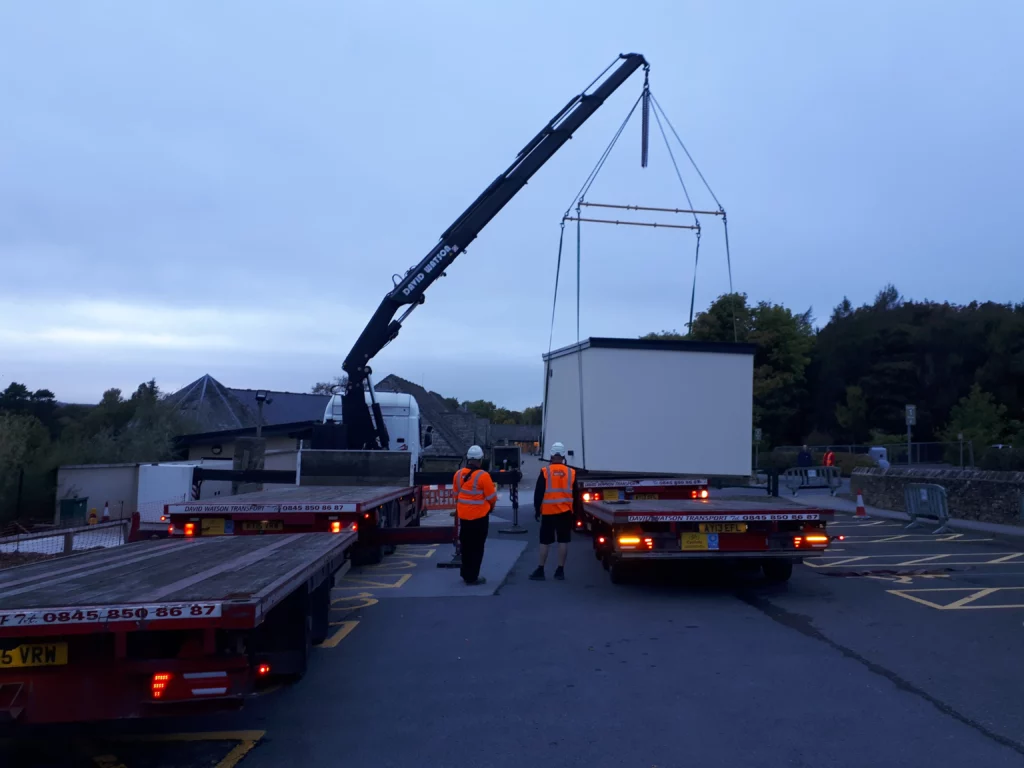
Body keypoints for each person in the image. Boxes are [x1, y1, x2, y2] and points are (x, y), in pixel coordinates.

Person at [530, 442, 576, 581]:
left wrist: (537, 510)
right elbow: (576, 494)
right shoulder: (571, 472)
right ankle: (560, 571)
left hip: (548, 512)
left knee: (545, 541)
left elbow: (538, 493)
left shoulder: (545, 471)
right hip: (565, 511)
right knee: (563, 540)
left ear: (551, 455)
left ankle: (541, 569)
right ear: (563, 456)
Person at [453, 445, 496, 586]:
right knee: (477, 548)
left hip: (464, 517)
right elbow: (492, 498)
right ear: (480, 459)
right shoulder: (483, 476)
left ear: (468, 458)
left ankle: (465, 573)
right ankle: (473, 576)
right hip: (479, 518)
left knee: (465, 546)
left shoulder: (458, 475)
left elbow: (456, 495)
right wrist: (490, 508)